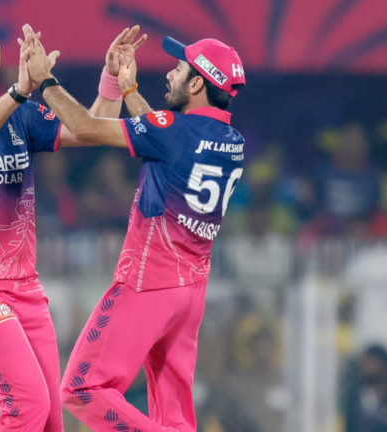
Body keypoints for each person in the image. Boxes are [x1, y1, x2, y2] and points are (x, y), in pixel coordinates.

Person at [0, 6, 146, 431]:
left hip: (25, 290)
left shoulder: (22, 116)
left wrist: (111, 77)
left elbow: (93, 128)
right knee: (27, 407)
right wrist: (18, 91)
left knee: (50, 421)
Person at [23, 29, 246, 431]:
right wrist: (128, 89)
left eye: (179, 70)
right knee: (176, 418)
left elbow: (89, 129)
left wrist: (44, 82)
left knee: (80, 389)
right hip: (189, 293)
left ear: (197, 82)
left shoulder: (174, 131)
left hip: (148, 282)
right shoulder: (230, 140)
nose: (171, 76)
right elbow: (162, 135)